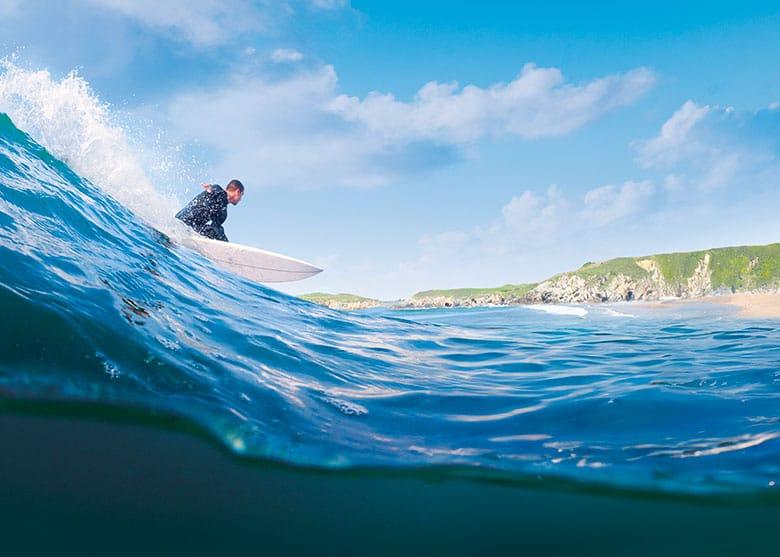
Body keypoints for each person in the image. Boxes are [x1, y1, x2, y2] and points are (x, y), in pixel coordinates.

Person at [176, 179, 244, 242]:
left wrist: (226, 243)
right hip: (182, 220)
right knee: (215, 232)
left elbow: (216, 228)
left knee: (215, 231)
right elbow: (214, 190)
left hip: (191, 227)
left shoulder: (223, 213)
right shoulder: (218, 190)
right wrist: (210, 188)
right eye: (242, 195)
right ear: (237, 191)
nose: (241, 199)